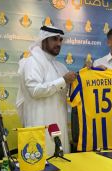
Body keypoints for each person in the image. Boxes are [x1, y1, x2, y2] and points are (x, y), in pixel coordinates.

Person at [16, 26, 77, 155]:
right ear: (43, 40)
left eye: (60, 40)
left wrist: (87, 72)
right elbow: (35, 91)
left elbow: (70, 90)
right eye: (54, 39)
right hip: (39, 122)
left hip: (59, 123)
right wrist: (63, 80)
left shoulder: (60, 66)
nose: (59, 43)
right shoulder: (32, 62)